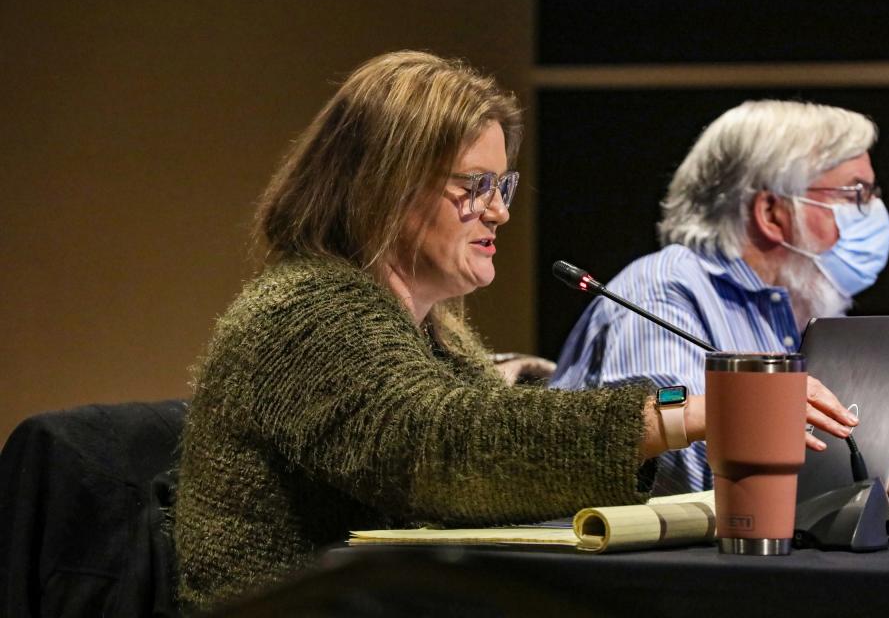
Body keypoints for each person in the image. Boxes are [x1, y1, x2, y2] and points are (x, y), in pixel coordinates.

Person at [175, 51, 723, 610]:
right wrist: (685, 414)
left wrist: (686, 404)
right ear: (382, 185)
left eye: (501, 186)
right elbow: (443, 447)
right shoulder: (301, 310)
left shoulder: (437, 335)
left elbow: (500, 467)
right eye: (474, 186)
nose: (499, 212)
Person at [552, 99, 889, 498]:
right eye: (856, 194)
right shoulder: (664, 288)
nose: (875, 210)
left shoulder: (793, 307)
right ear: (772, 212)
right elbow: (679, 473)